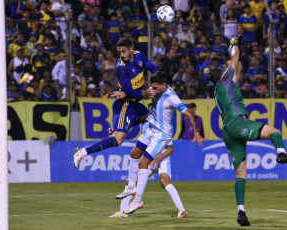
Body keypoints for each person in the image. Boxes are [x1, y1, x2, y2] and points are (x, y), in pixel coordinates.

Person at [208, 35, 287, 227]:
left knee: (240, 174)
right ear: (222, 75)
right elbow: (235, 60)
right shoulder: (224, 81)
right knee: (275, 132)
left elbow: (238, 65)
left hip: (227, 131)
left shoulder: (221, 89)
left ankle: (241, 212)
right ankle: (281, 154)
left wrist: (238, 52)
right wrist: (234, 44)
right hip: (237, 123)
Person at [123, 72, 206, 215]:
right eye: (152, 87)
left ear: (164, 85)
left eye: (155, 88)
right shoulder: (150, 114)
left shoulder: (172, 98)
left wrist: (197, 132)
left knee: (146, 167)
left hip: (162, 137)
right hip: (153, 134)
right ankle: (122, 211)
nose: (153, 90)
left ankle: (138, 201)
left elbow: (189, 115)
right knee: (132, 176)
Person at [72, 38, 159, 169]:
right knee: (118, 140)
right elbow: (129, 91)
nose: (122, 55)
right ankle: (82, 152)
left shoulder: (139, 55)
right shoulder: (121, 68)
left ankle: (115, 129)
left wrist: (159, 77)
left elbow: (152, 67)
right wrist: (144, 93)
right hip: (125, 104)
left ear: (131, 49)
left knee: (151, 118)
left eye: (124, 51)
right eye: (119, 52)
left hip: (134, 103)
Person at [110, 142, 188, 218]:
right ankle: (122, 211)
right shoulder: (146, 131)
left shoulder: (164, 130)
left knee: (164, 181)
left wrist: (157, 159)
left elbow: (170, 149)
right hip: (149, 161)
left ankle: (181, 210)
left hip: (162, 161)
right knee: (130, 182)